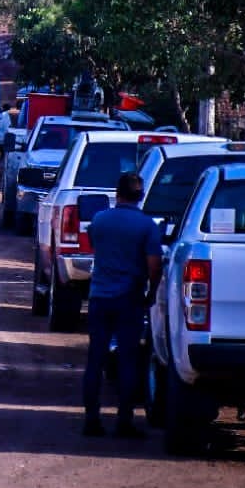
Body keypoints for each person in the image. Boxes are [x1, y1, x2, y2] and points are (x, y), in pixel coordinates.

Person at [81, 172, 163, 438]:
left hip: (99, 297)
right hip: (130, 298)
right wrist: (152, 293)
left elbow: (94, 244)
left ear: (117, 193)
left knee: (96, 358)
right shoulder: (147, 226)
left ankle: (91, 419)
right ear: (141, 196)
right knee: (128, 360)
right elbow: (154, 265)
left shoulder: (100, 219)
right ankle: (124, 421)